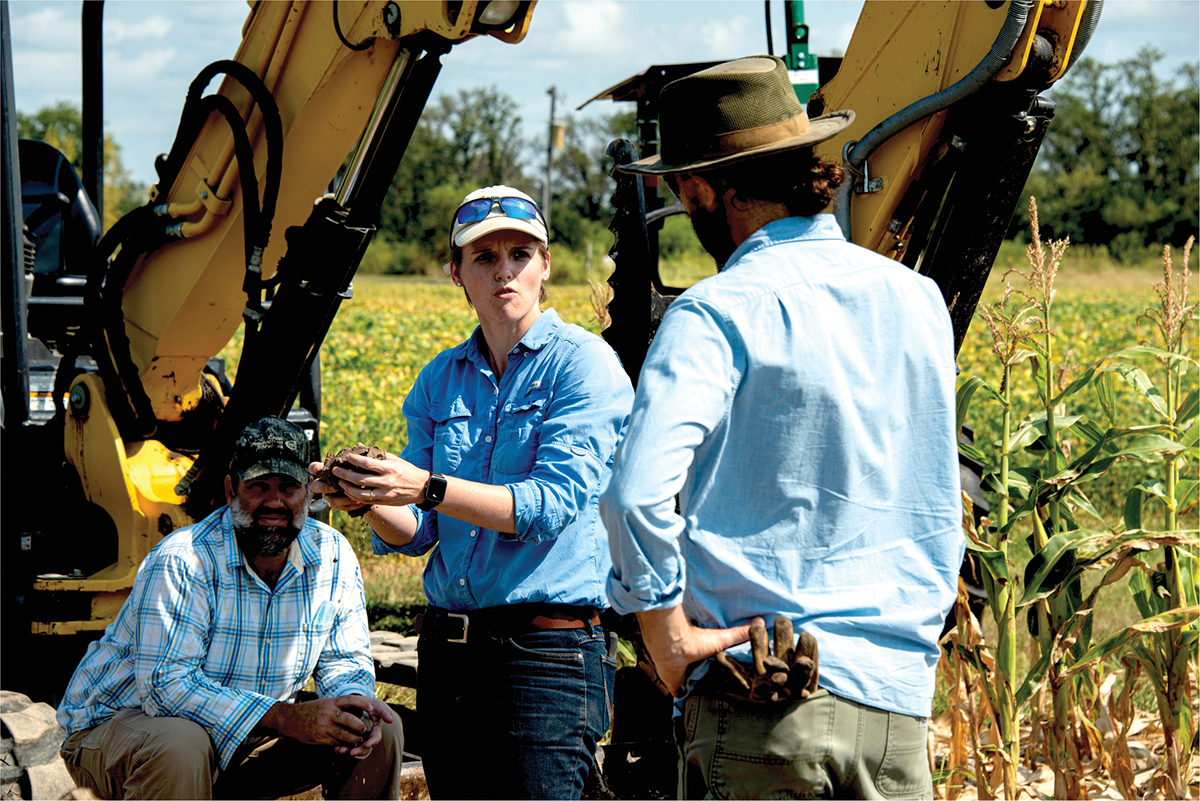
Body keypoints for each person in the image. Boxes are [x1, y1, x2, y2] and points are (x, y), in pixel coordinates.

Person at [600, 56, 963, 799]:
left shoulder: (717, 310)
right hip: (897, 713)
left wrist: (666, 639)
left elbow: (636, 496)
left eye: (681, 187)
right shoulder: (920, 299)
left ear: (702, 187)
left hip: (762, 702)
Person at [313, 185, 634, 800]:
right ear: (456, 273)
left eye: (519, 253)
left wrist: (424, 487)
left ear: (546, 265)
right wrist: (371, 499)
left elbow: (550, 506)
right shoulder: (442, 376)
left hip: (545, 652)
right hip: (450, 652)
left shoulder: (583, 366)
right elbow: (418, 534)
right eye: (484, 258)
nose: (504, 270)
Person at [56, 416, 402, 800]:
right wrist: (287, 719)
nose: (274, 502)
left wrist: (352, 708)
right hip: (119, 733)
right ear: (230, 491)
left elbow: (346, 661)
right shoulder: (184, 559)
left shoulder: (332, 554)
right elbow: (167, 687)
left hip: (244, 737)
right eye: (258, 487)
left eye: (288, 487)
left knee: (382, 729)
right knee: (181, 743)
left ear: (308, 492)